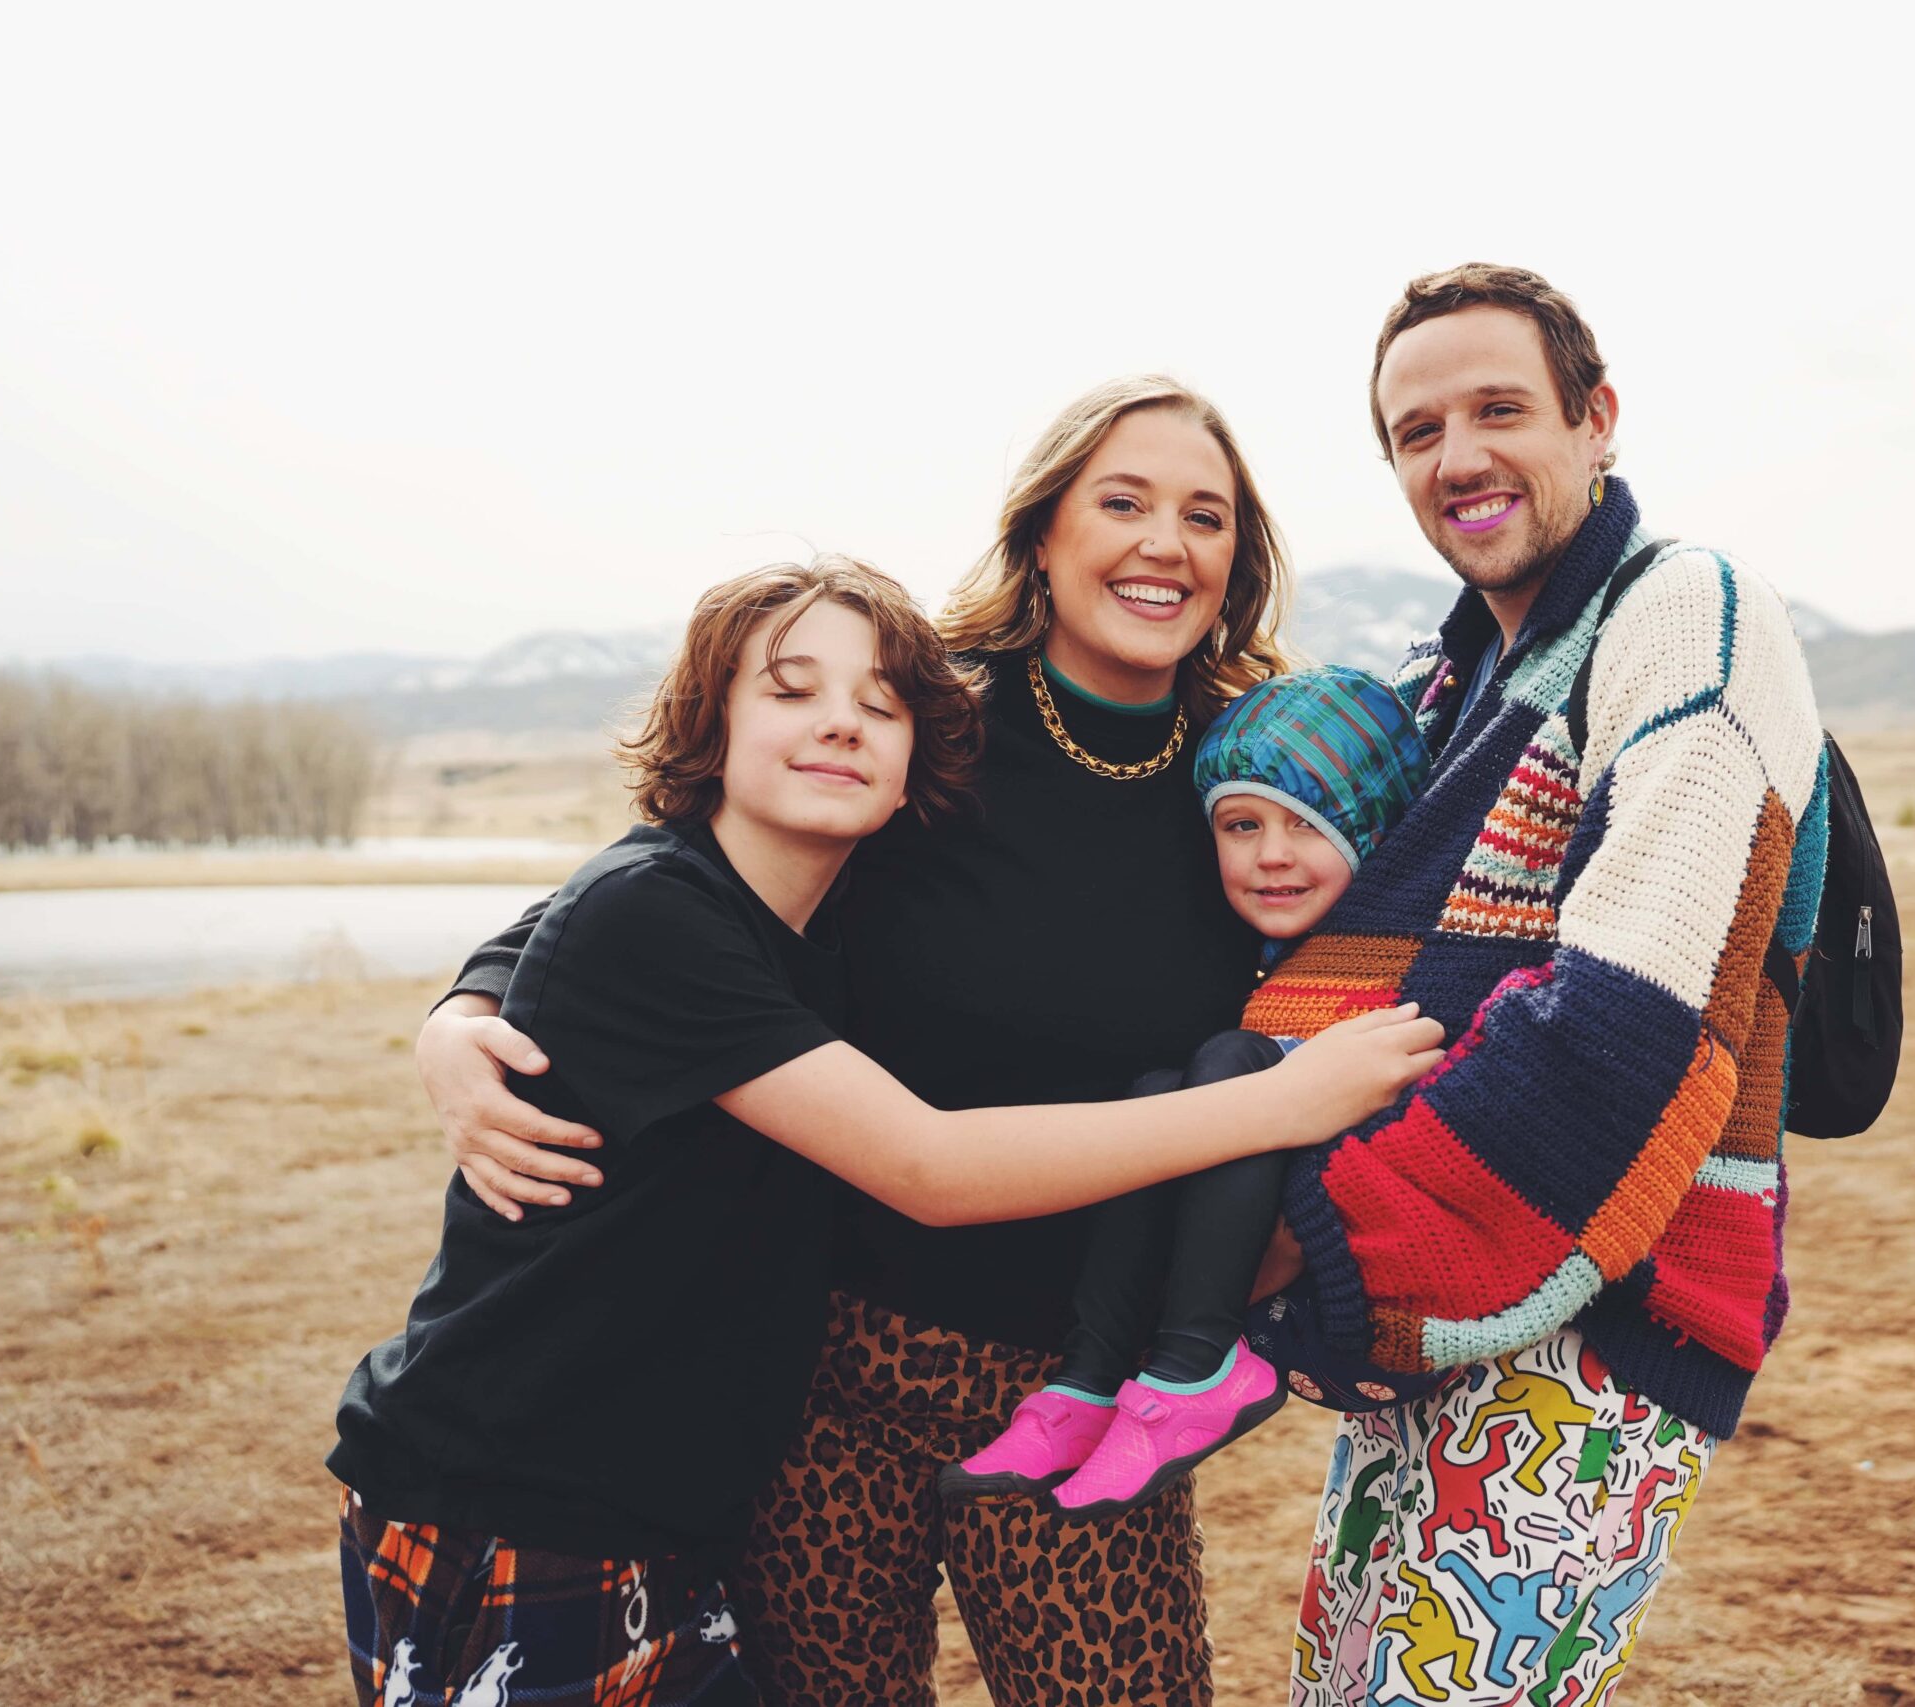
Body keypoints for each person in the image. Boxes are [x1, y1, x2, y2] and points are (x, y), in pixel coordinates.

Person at [330, 558, 1441, 1707]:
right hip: (512, 1485)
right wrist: (1275, 1104)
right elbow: (926, 1165)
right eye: (791, 691)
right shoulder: (662, 912)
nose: (838, 727)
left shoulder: (813, 913)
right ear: (709, 722)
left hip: (668, 1500)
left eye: (878, 705)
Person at [1260, 264, 1830, 1705]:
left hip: (1595, 1303)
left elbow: (1629, 1021)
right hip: (1450, 1283)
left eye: (1499, 407)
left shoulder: (1684, 612)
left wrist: (1312, 1245)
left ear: (1597, 419)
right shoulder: (1455, 683)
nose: (1458, 457)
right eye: (1415, 430)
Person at [940, 665, 1434, 1519]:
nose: (1271, 854)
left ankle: (1194, 1364)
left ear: (1375, 830)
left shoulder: (1403, 950)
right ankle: (1091, 1377)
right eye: (1241, 825)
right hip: (1258, 1198)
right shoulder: (1272, 958)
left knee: (1231, 1059)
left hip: (1364, 1241)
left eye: (1310, 826)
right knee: (1157, 1089)